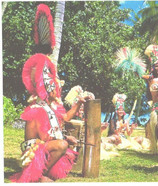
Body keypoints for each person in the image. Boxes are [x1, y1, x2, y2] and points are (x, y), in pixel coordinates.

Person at [10, 4, 94, 182]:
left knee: (65, 146)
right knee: (62, 145)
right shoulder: (37, 109)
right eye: (54, 84)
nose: (57, 89)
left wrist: (79, 102)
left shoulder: (49, 107)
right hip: (34, 156)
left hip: (45, 148)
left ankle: (43, 176)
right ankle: (38, 177)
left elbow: (65, 118)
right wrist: (65, 139)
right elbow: (46, 137)